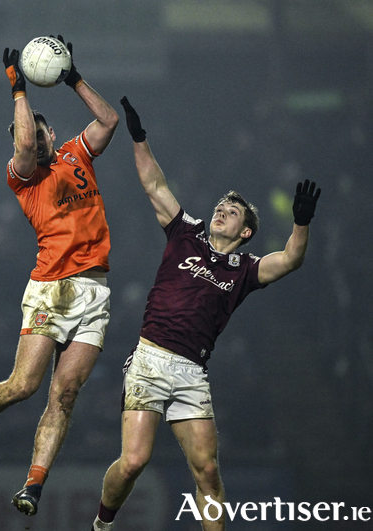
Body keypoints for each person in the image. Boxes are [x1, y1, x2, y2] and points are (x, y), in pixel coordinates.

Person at [89, 97, 322, 531]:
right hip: (149, 359)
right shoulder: (185, 233)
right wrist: (139, 138)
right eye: (220, 206)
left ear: (246, 231)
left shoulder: (247, 269)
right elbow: (155, 186)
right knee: (134, 460)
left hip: (192, 371)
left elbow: (290, 259)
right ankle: (102, 525)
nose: (221, 210)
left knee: (209, 473)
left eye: (232, 212)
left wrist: (301, 223)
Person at [0, 35, 119, 517]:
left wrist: (72, 76)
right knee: (23, 385)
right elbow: (25, 142)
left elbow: (109, 120)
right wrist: (17, 90)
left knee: (66, 394)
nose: (31, 139)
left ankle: (33, 484)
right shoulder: (22, 173)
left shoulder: (78, 152)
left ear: (53, 131)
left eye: (38, 130)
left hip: (94, 292)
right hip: (51, 287)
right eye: (22, 136)